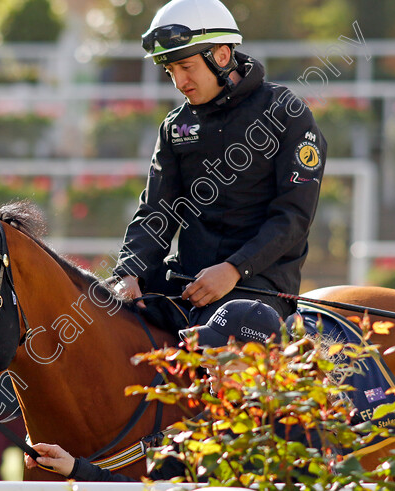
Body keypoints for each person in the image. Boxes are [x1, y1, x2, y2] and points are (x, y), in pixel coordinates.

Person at [113, 0, 327, 327]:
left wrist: (234, 269)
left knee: (221, 329)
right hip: (188, 278)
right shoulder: (175, 126)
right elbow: (156, 211)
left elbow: (293, 217)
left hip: (262, 285)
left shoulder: (287, 113)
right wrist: (129, 273)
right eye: (170, 71)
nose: (179, 81)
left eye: (186, 67)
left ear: (222, 56)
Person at [24, 299, 334, 481]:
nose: (205, 361)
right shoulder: (205, 425)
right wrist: (74, 467)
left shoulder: (302, 429)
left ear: (253, 357)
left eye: (216, 350)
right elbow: (149, 487)